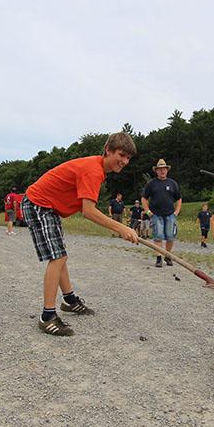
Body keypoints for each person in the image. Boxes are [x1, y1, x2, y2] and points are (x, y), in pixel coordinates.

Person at [22, 132, 139, 336]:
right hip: (38, 204)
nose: (125, 161)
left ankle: (69, 300)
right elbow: (88, 211)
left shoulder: (96, 169)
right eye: (121, 154)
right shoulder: (93, 171)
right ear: (108, 151)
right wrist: (121, 228)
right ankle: (47, 317)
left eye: (128, 157)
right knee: (57, 257)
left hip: (50, 208)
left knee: (60, 256)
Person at [141, 159, 181, 267]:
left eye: (164, 169)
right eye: (160, 169)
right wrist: (148, 212)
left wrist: (177, 211)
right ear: (156, 171)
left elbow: (179, 198)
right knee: (158, 236)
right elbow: (144, 198)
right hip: (156, 214)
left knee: (170, 236)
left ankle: (168, 256)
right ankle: (159, 258)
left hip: (170, 214)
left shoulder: (172, 183)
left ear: (167, 170)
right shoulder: (151, 184)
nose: (162, 171)